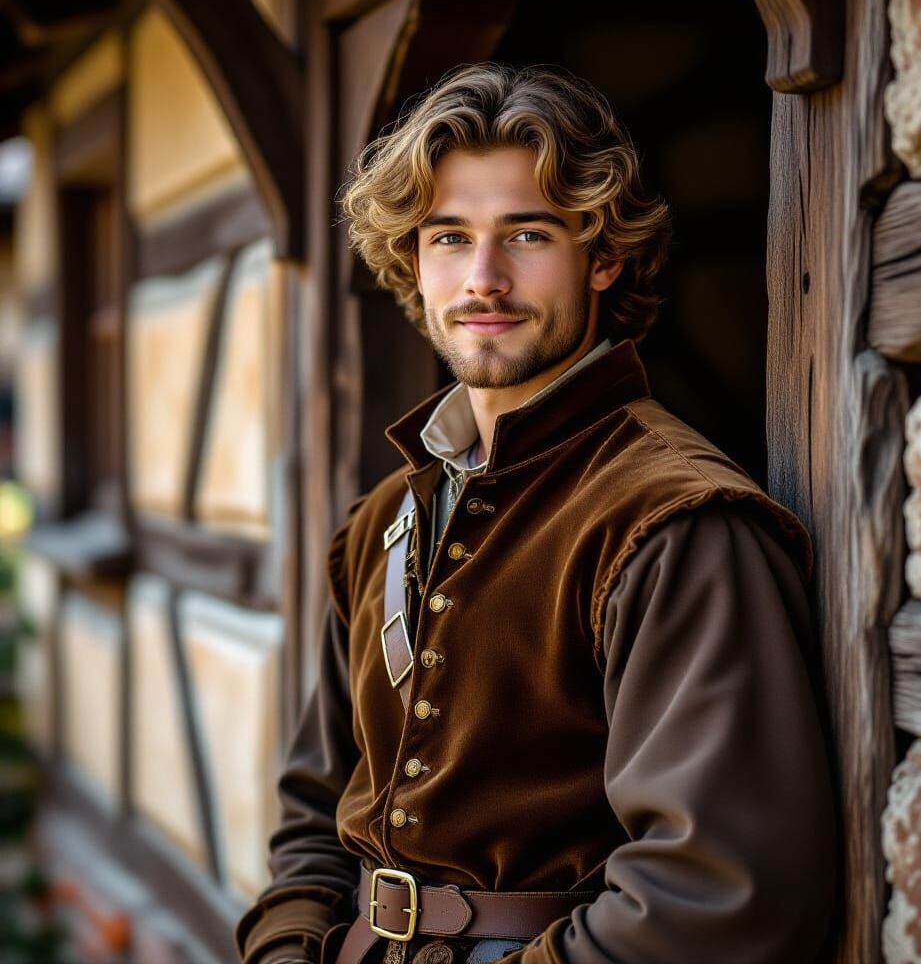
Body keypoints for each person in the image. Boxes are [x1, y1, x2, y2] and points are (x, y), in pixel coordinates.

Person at [235, 62, 837, 964]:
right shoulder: (381, 520)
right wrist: (286, 950)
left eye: (526, 233)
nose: (483, 278)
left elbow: (720, 891)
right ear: (412, 259)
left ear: (603, 258)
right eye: (448, 237)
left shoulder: (674, 521)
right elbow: (316, 813)